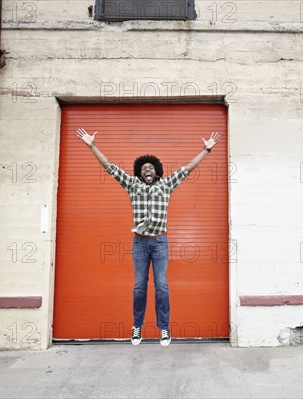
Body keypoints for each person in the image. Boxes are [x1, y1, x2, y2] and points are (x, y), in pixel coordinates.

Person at [76, 127, 220, 346]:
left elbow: (188, 169)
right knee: (139, 286)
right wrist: (92, 145)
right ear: (139, 172)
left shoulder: (166, 185)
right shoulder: (132, 186)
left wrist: (206, 150)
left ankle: (164, 328)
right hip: (140, 243)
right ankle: (137, 328)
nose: (147, 170)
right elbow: (110, 168)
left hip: (160, 242)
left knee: (161, 285)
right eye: (143, 168)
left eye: (151, 167)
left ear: (157, 171)